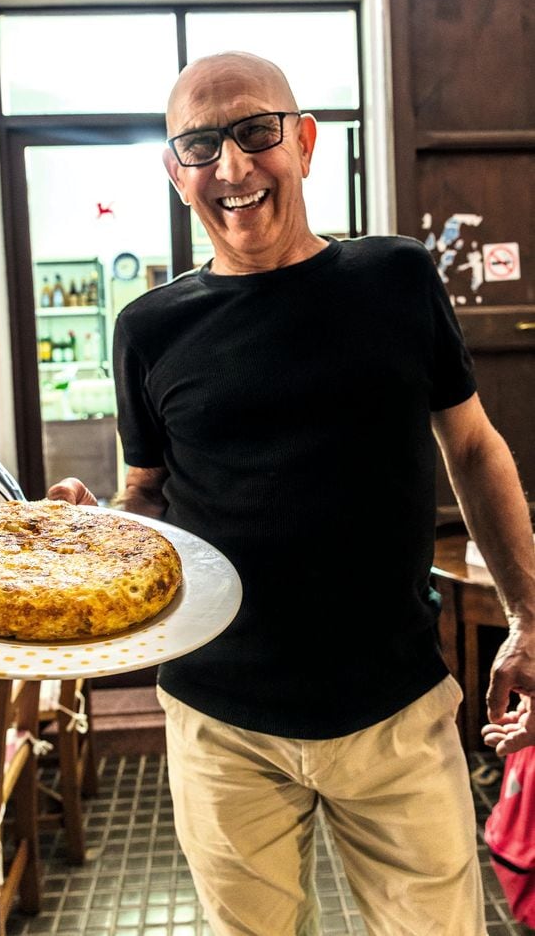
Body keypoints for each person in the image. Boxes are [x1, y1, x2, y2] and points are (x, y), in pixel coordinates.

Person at [48, 51, 535, 935]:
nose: (232, 165)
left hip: (395, 705)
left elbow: (472, 445)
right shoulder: (148, 328)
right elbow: (147, 496)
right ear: (175, 173)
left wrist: (530, 616)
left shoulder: (395, 278)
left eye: (255, 131)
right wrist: (98, 536)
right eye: (200, 145)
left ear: (305, 142)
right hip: (219, 716)